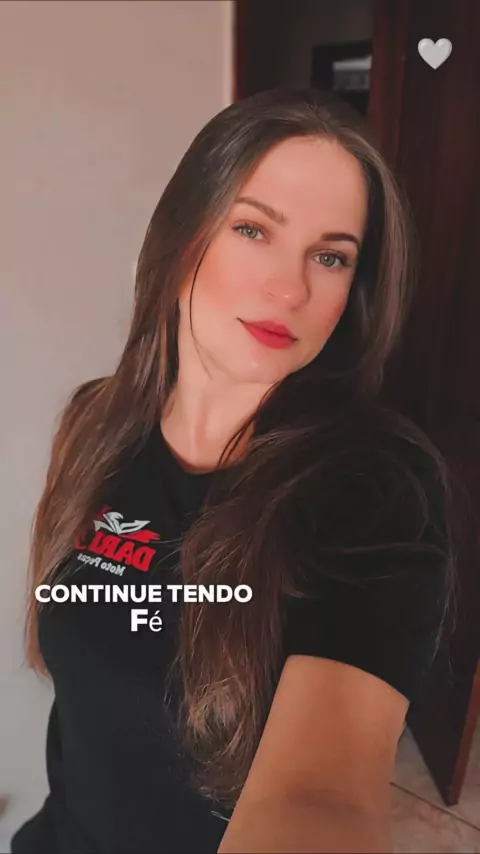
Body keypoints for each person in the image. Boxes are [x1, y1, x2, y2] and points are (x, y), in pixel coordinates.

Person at [11, 86, 454, 854]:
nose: (291, 288)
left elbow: (322, 797)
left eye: (331, 256)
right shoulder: (94, 424)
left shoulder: (377, 490)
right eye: (254, 230)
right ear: (183, 237)